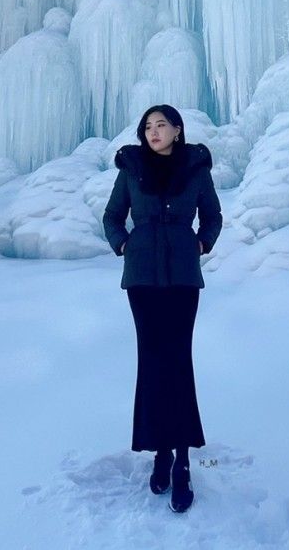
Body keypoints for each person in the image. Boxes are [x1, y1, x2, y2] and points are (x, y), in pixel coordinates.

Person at [102, 104, 222, 513]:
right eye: (147, 127)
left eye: (160, 125)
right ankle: (161, 452)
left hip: (184, 280)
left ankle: (184, 461)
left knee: (178, 364)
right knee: (152, 364)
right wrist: (122, 244)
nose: (153, 132)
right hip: (142, 280)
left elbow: (213, 215)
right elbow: (113, 215)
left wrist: (201, 243)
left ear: (177, 130)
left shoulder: (195, 168)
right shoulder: (131, 168)